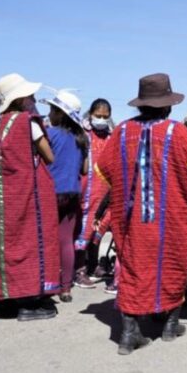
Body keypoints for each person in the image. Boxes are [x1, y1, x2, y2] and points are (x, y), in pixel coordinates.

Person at [95, 73, 187, 355]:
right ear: (168, 105)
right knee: (173, 261)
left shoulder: (121, 131)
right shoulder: (178, 132)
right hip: (172, 215)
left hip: (130, 216)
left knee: (132, 265)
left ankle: (129, 333)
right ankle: (170, 325)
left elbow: (106, 170)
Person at [0, 73, 61, 321]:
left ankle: (6, 300)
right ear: (21, 99)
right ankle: (30, 303)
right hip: (29, 194)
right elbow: (49, 157)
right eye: (30, 96)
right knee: (32, 242)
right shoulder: (29, 123)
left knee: (5, 244)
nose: (34, 99)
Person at [45, 90, 89, 303]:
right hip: (72, 192)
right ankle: (65, 288)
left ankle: (49, 284)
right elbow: (85, 169)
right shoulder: (82, 138)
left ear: (61, 114)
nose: (49, 114)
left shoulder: (50, 134)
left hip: (51, 192)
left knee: (46, 240)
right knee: (66, 241)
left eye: (52, 110)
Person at [75, 98, 114, 287]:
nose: (101, 119)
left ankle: (93, 265)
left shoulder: (110, 136)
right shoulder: (83, 134)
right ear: (90, 114)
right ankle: (79, 269)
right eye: (98, 115)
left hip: (106, 189)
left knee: (100, 227)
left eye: (105, 116)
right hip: (87, 188)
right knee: (85, 227)